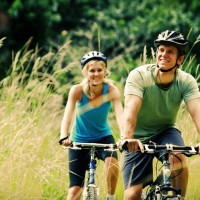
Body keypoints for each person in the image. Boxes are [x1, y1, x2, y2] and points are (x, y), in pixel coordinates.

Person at [120, 30, 200, 199]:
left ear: (180, 60)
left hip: (165, 132)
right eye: (161, 50)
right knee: (132, 195)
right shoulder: (139, 76)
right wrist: (127, 137)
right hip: (136, 138)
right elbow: (130, 109)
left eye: (170, 51)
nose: (164, 54)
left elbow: (198, 112)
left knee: (178, 157)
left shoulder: (186, 81)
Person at [59, 51, 123, 200]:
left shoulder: (112, 90)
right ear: (85, 72)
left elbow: (121, 115)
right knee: (74, 191)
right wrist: (64, 136)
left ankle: (110, 197)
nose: (96, 74)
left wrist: (124, 137)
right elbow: (67, 115)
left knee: (112, 162)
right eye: (92, 70)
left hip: (103, 137)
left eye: (99, 70)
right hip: (79, 140)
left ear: (105, 71)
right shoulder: (77, 91)